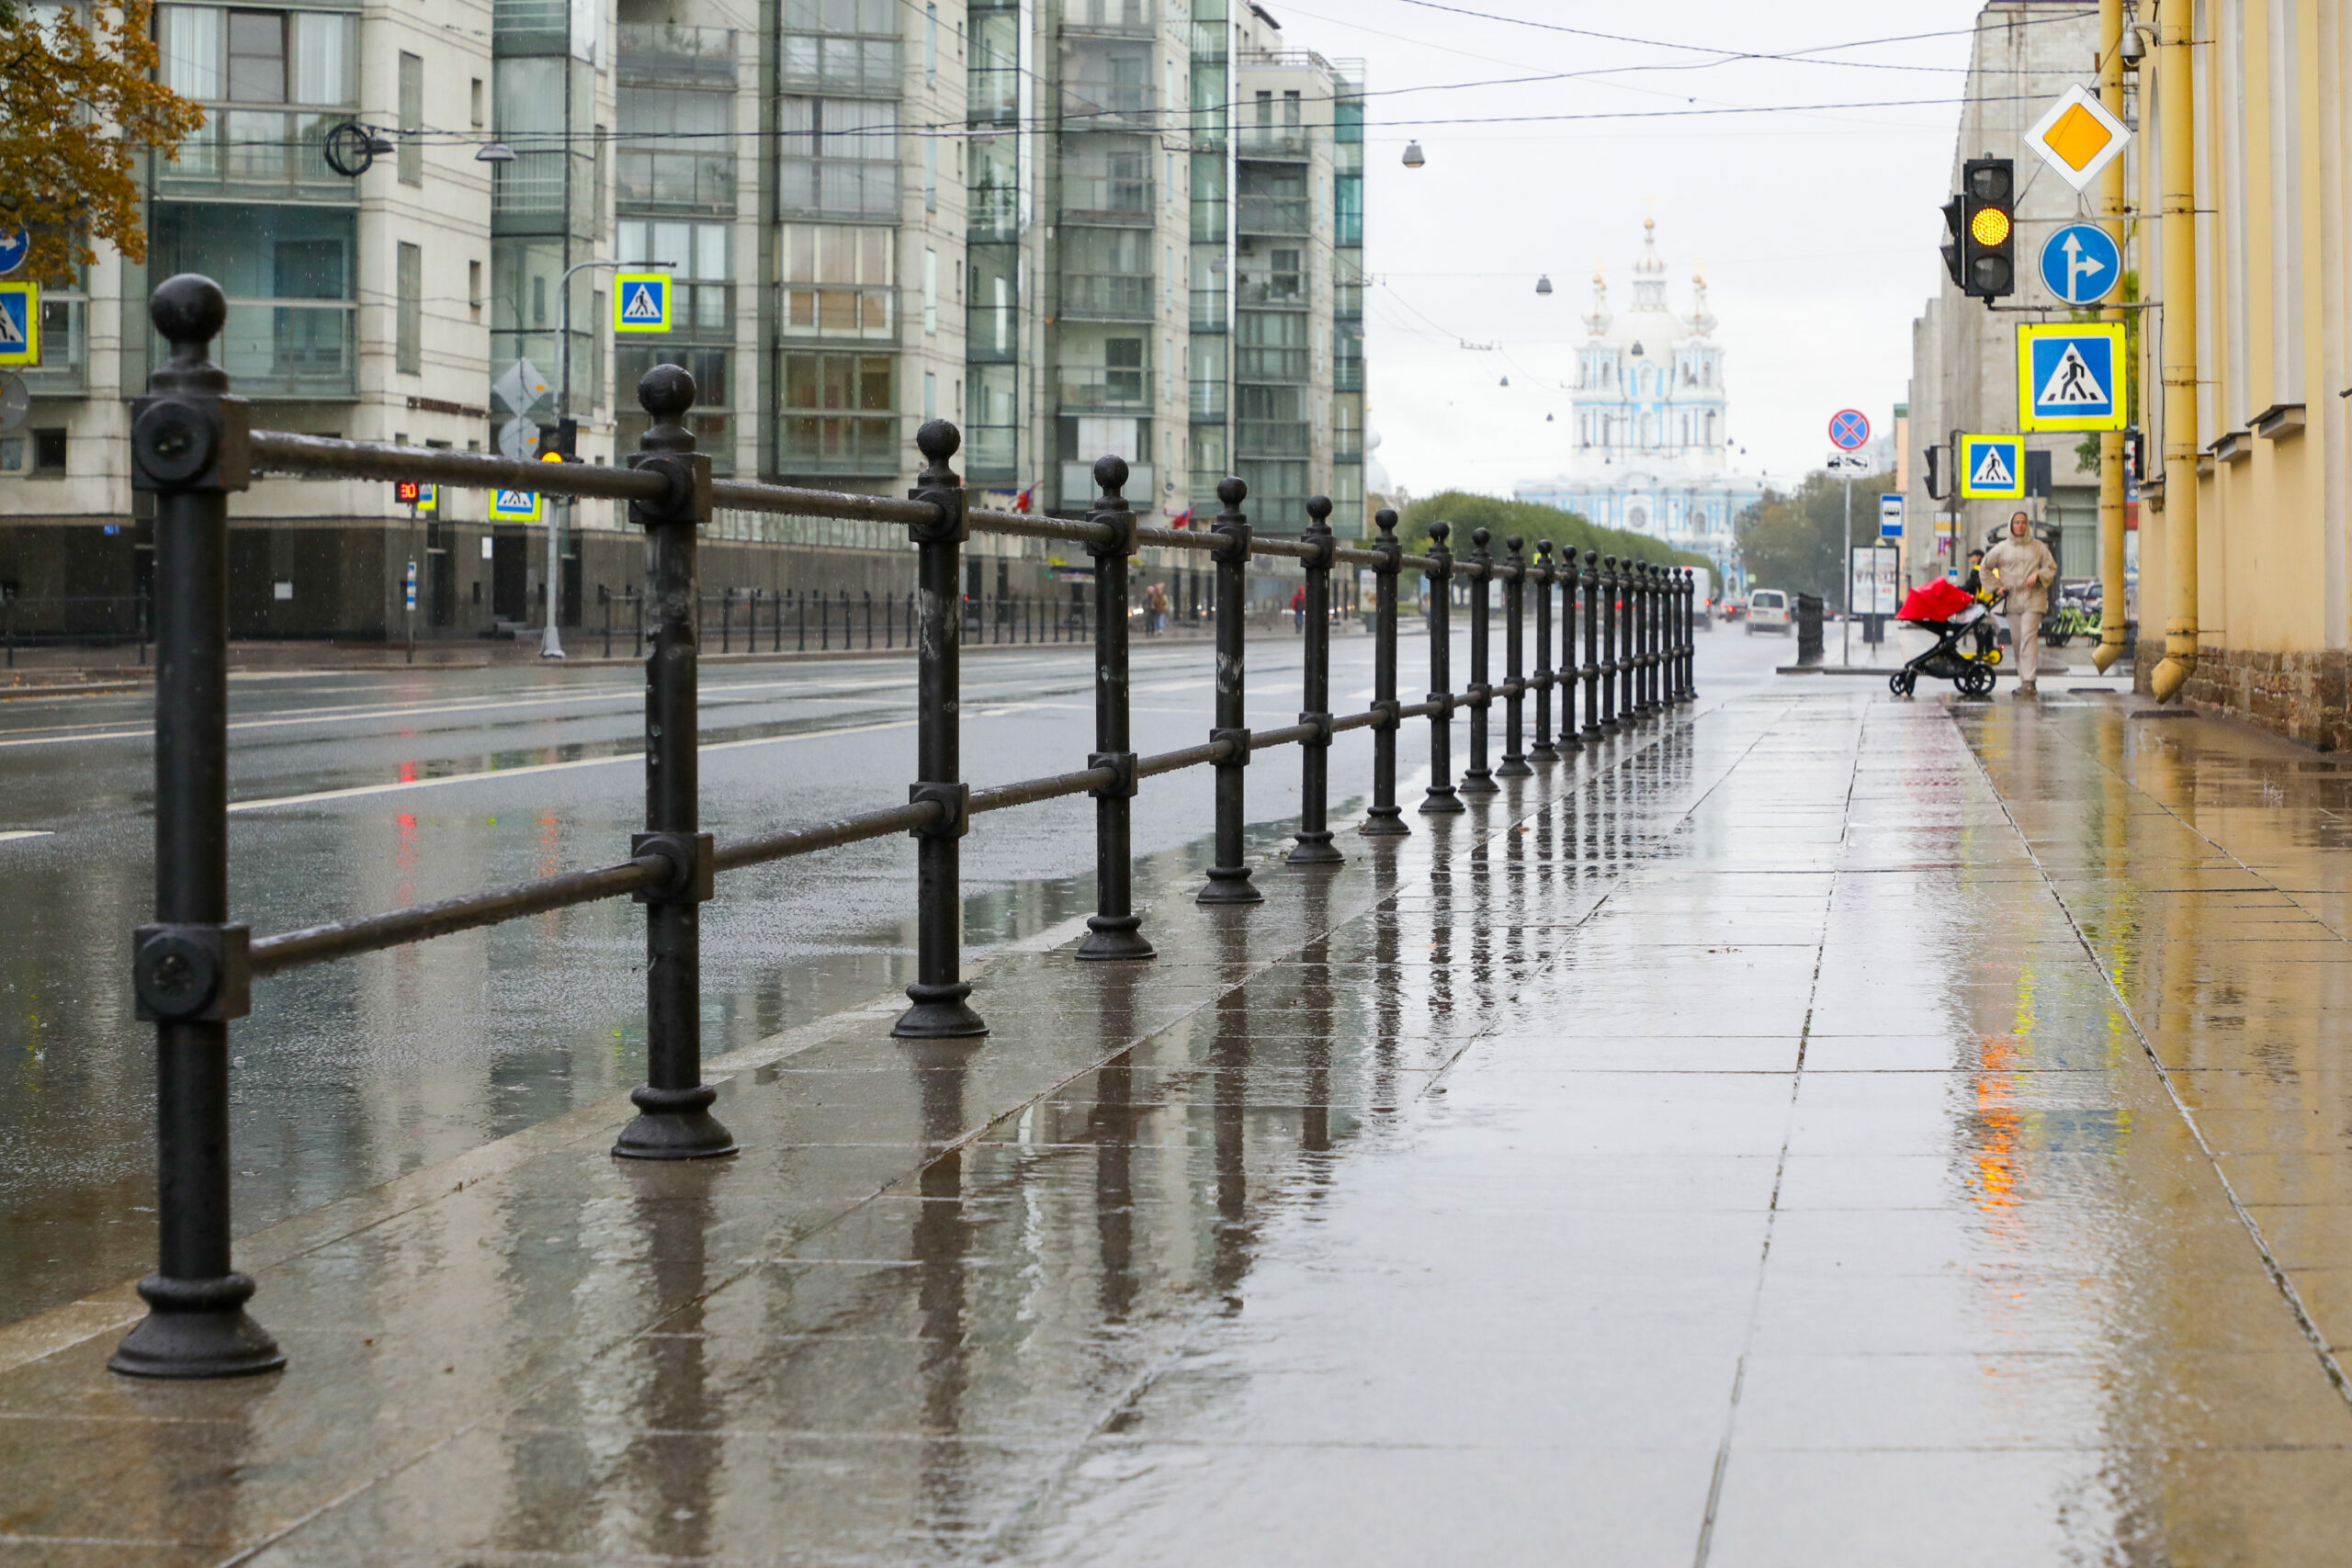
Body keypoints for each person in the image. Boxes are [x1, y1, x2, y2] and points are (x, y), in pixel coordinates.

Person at [1980, 512, 2058, 697]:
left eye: (2023, 522)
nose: (2020, 525)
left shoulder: (2039, 547)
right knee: (2017, 641)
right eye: (2017, 522)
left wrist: (2038, 575)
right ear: (2011, 525)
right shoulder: (2001, 548)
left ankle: (2030, 681)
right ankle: (2024, 680)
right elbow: (1985, 567)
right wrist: (1997, 587)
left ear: (2027, 526)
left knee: (2028, 636)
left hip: (2033, 598)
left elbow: (2051, 567)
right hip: (2012, 600)